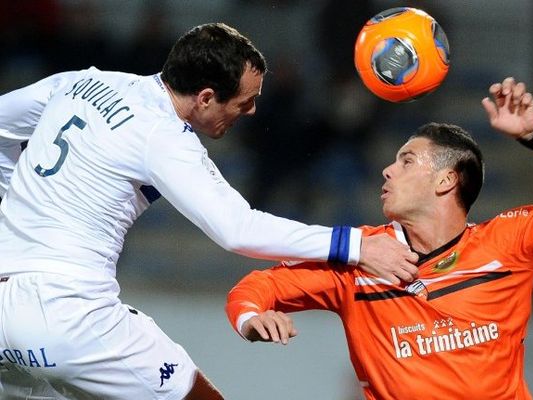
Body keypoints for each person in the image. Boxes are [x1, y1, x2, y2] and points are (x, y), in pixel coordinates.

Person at [0, 23, 419, 400]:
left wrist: (15, 193)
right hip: (69, 310)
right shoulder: (162, 133)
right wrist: (356, 245)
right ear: (204, 98)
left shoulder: (82, 82)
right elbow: (237, 229)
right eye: (245, 100)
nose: (252, 111)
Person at [226, 77, 533, 399]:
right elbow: (259, 286)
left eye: (407, 161)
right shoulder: (363, 256)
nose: (388, 170)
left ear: (446, 180)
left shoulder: (509, 245)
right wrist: (249, 319)